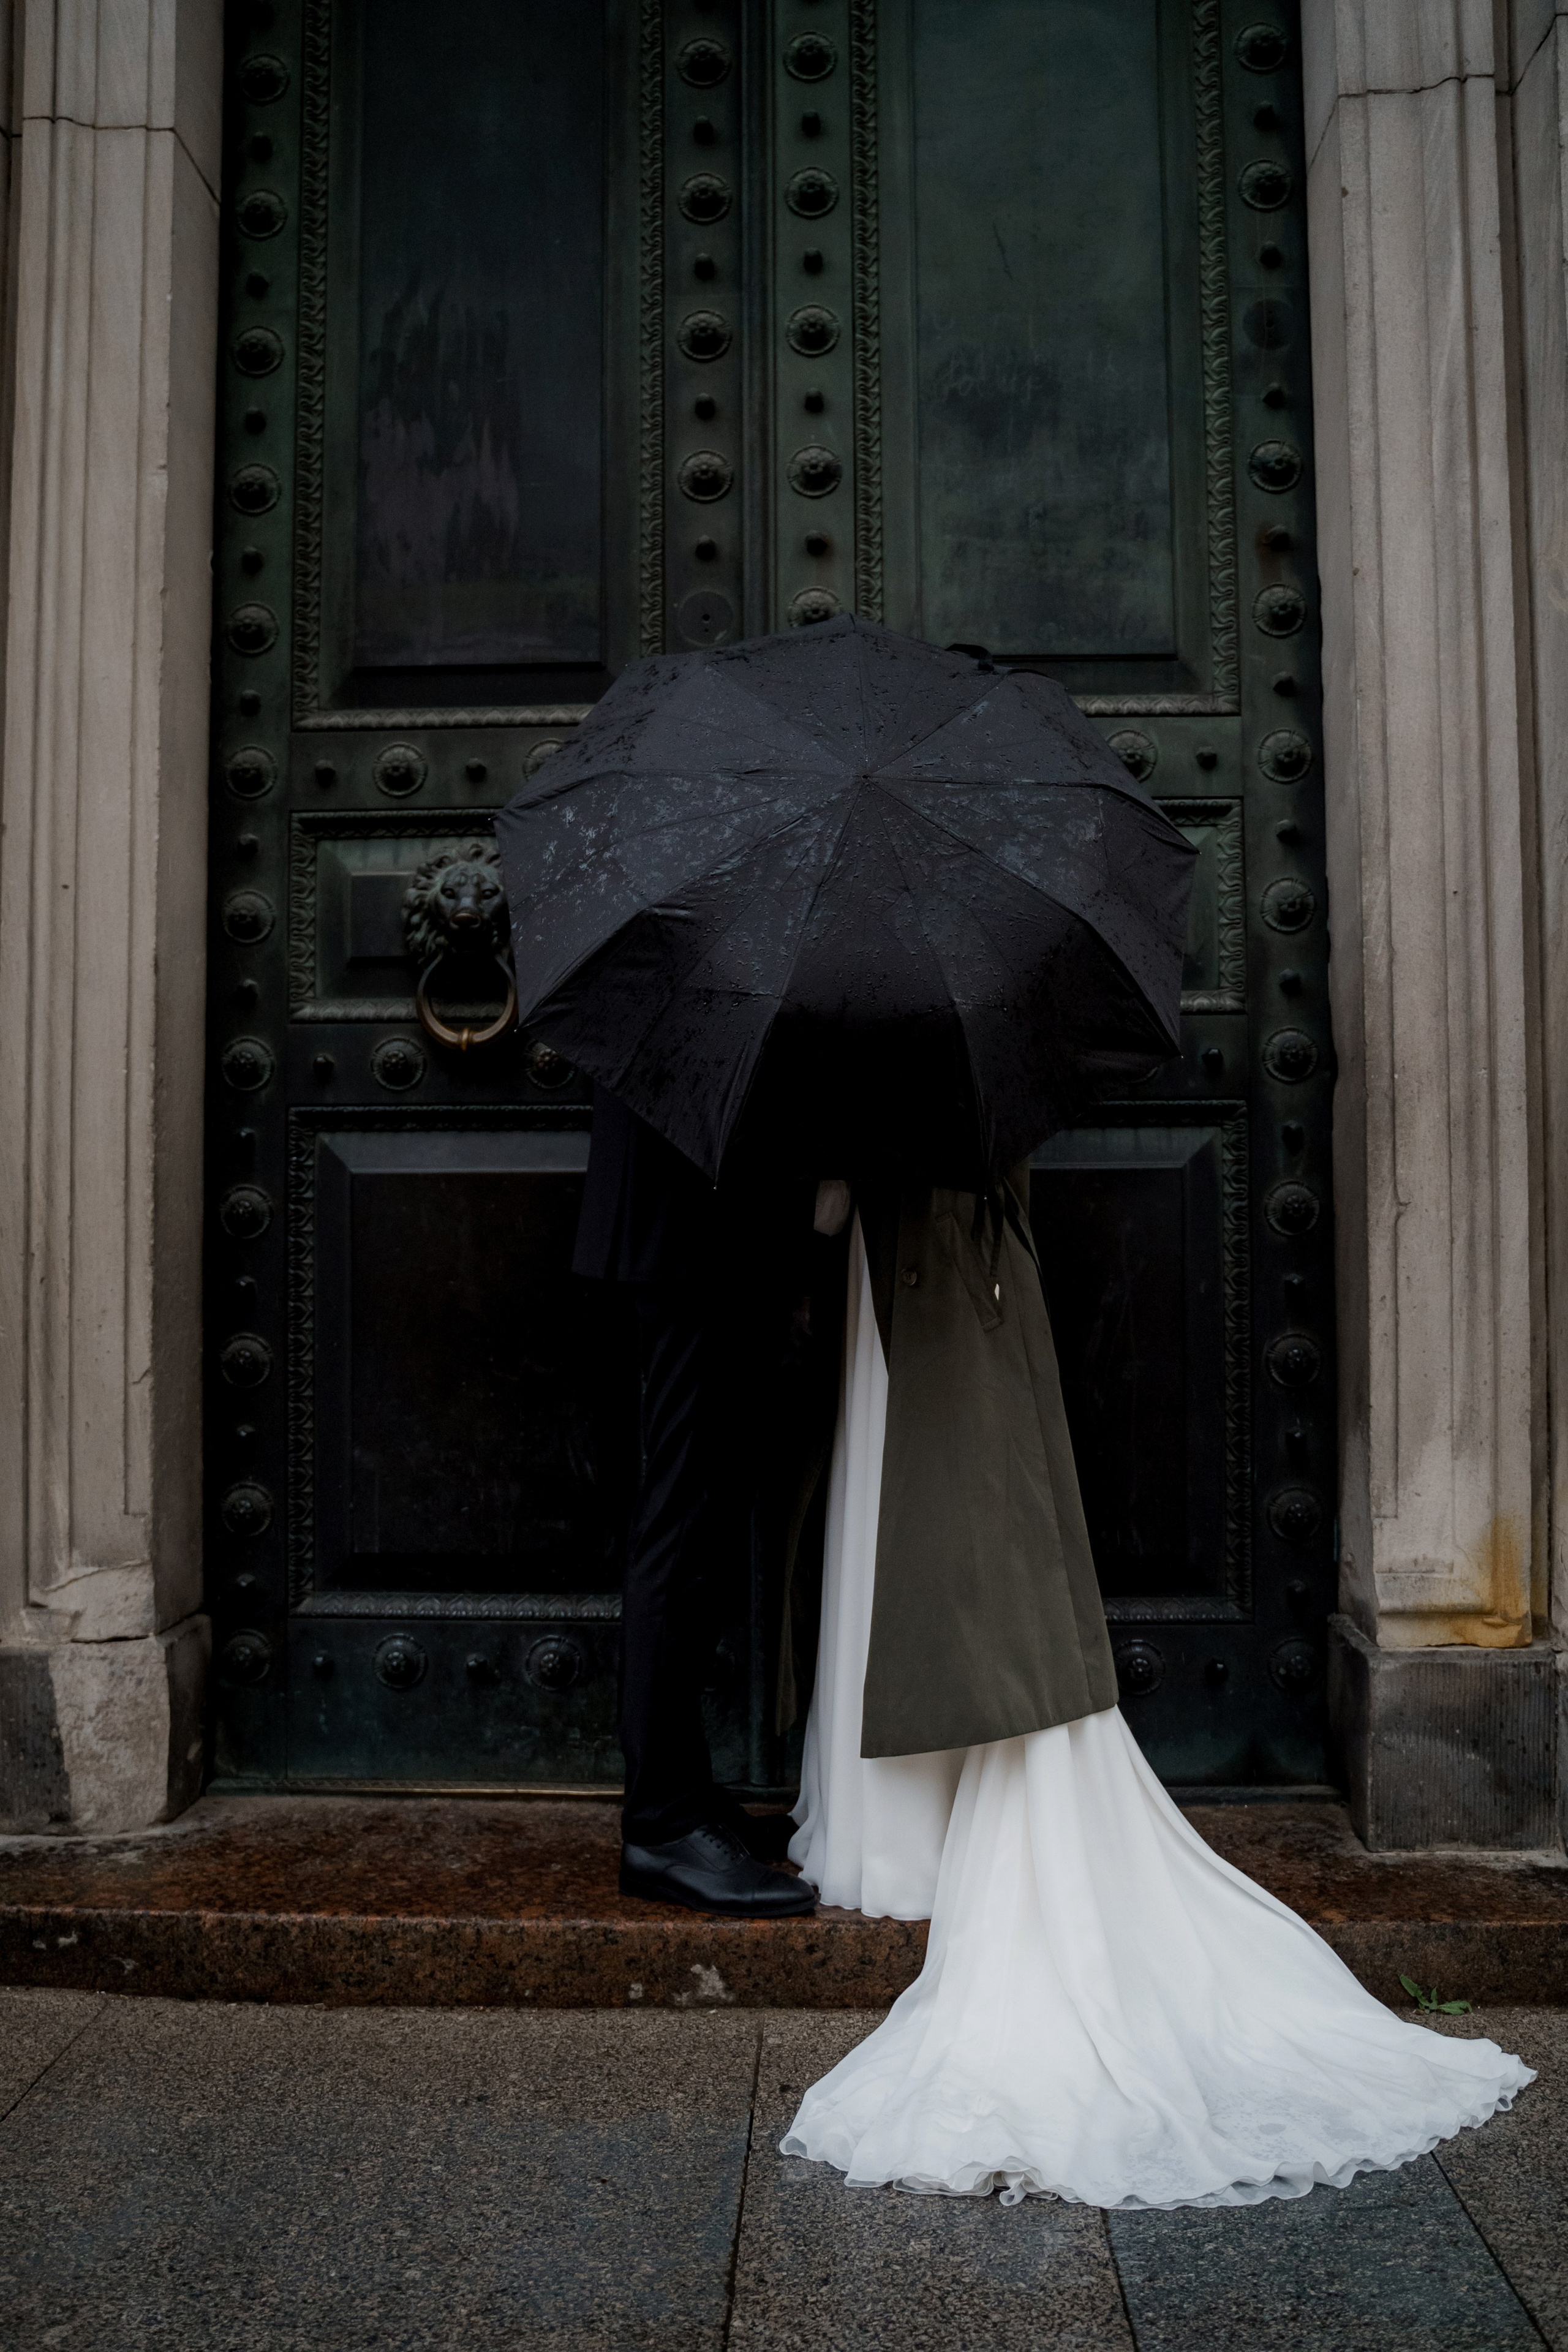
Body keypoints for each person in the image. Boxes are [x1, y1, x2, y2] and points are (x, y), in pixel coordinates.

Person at [781, 1175, 1534, 2209]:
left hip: (944, 1271)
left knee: (952, 1544)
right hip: (905, 1270)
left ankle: (912, 1833)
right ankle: (898, 1833)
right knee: (912, 1534)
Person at [573, 1083, 816, 1919]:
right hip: (689, 1217)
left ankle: (686, 1797)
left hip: (715, 1217)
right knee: (682, 1519)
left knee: (704, 1518)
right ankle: (660, 1822)